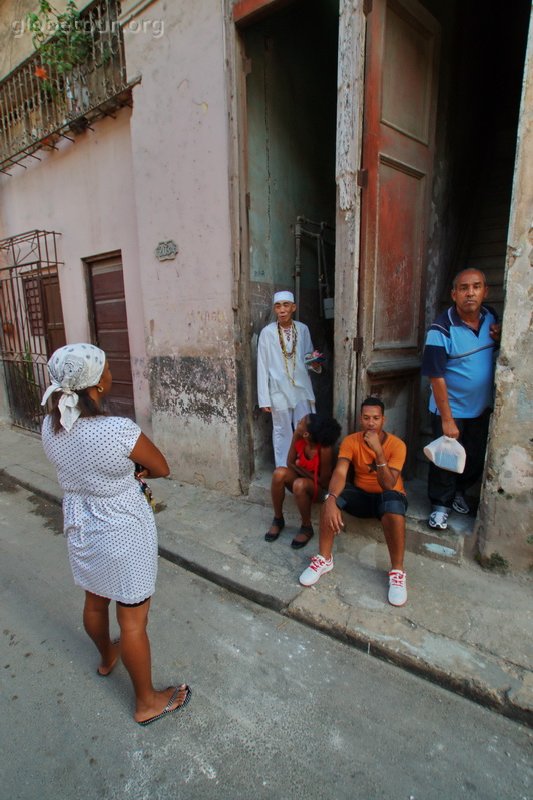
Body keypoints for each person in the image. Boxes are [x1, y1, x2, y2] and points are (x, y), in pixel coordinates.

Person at [41, 343, 191, 726]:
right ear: (98, 385)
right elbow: (161, 467)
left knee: (95, 600)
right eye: (106, 368)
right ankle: (146, 702)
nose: (110, 372)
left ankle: (108, 656)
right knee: (133, 620)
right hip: (122, 527)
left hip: (81, 521)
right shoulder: (116, 431)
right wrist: (132, 474)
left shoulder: (51, 425)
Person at [299, 397, 408, 607]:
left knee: (394, 505)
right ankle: (324, 559)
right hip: (361, 495)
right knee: (330, 498)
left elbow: (388, 484)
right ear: (360, 419)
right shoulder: (351, 441)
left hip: (389, 496)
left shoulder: (397, 445)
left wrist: (378, 451)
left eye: (376, 418)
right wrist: (331, 499)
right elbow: (340, 472)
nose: (371, 423)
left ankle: (397, 572)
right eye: (366, 418)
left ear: (383, 419)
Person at [421, 268, 501, 530]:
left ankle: (459, 492)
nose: (470, 293)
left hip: (480, 408)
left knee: (475, 456)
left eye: (476, 287)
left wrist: (500, 334)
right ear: (454, 294)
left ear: (484, 291)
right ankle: (440, 506)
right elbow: (435, 376)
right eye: (464, 288)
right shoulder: (441, 329)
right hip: (450, 409)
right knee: (445, 459)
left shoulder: (492, 318)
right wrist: (447, 419)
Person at [257, 290, 321, 468]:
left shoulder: (302, 329)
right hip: (278, 390)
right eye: (278, 306)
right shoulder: (267, 333)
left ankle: (304, 466)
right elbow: (262, 366)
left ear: (293, 307)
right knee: (282, 431)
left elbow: (308, 357)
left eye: (286, 305)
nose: (282, 310)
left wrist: (314, 364)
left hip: (301, 389)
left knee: (305, 429)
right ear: (275, 309)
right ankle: (283, 470)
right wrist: (264, 399)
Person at [265, 413, 342, 548]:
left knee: (299, 484)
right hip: (302, 482)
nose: (299, 421)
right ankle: (278, 519)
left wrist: (299, 468)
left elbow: (323, 482)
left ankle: (306, 527)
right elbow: (290, 463)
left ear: (306, 434)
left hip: (319, 490)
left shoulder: (324, 450)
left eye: (301, 422)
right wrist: (298, 468)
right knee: (278, 474)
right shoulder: (298, 437)